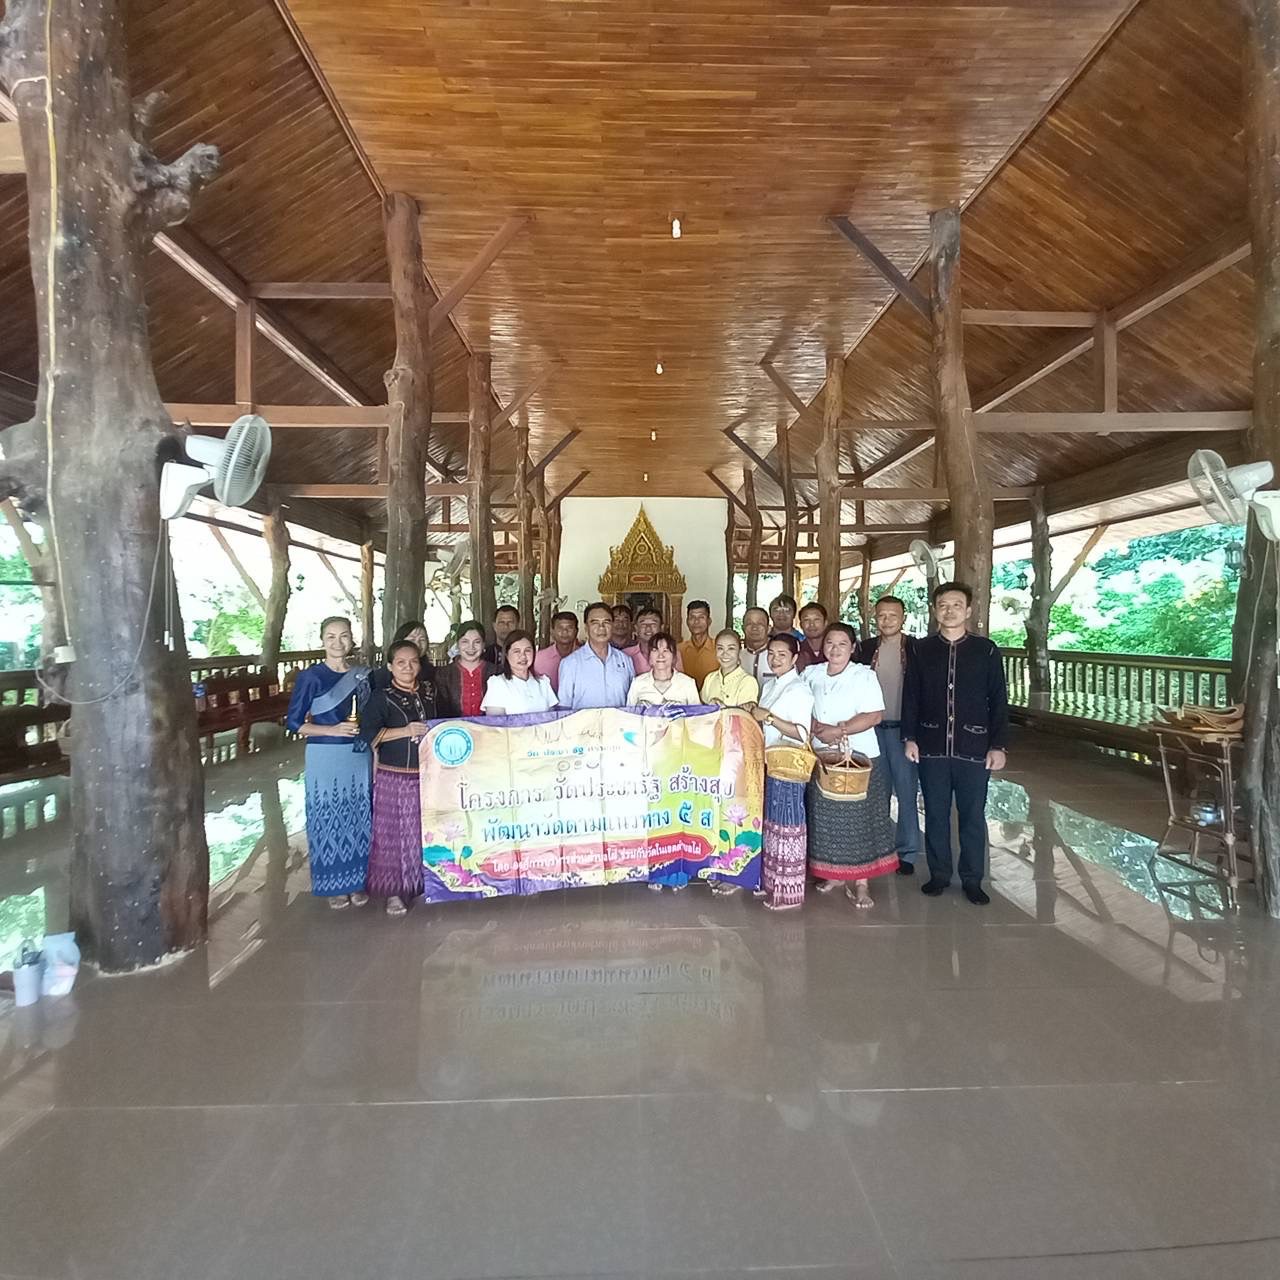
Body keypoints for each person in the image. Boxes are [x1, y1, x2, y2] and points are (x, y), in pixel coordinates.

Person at [902, 582, 1009, 906]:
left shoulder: (985, 650)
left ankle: (973, 879)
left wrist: (998, 745)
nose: (949, 611)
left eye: (956, 605)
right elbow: (911, 696)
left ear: (969, 610)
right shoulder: (921, 649)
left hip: (973, 746)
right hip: (931, 744)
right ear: (935, 610)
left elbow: (998, 700)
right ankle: (939, 874)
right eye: (943, 605)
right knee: (935, 814)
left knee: (972, 815)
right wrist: (910, 737)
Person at [805, 622, 896, 906]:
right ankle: (834, 875)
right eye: (830, 643)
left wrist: (839, 730)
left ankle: (861, 883)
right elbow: (801, 705)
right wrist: (816, 726)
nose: (835, 649)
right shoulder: (812, 674)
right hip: (823, 757)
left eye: (842, 643)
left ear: (853, 647)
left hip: (859, 758)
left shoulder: (863, 675)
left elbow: (874, 715)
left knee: (859, 820)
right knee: (827, 819)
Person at [285, 616, 372, 910]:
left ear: (352, 639)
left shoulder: (362, 675)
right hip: (325, 755)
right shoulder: (312, 677)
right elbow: (294, 723)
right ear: (322, 640)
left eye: (344, 636)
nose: (338, 642)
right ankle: (334, 884)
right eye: (331, 637)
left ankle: (358, 881)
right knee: (328, 817)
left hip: (358, 755)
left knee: (359, 816)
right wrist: (331, 730)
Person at [357, 639, 437, 917]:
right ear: (390, 666)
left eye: (413, 661)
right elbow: (368, 734)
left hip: (428, 775)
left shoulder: (429, 692)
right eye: (401, 662)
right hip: (395, 776)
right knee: (393, 835)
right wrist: (406, 731)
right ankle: (394, 892)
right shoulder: (382, 697)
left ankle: (422, 884)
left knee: (422, 832)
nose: (407, 667)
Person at [858, 594, 921, 876]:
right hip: (870, 730)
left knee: (906, 791)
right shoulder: (866, 648)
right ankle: (879, 847)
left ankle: (907, 851)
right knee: (876, 791)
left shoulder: (916, 648)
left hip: (902, 731)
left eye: (893, 615)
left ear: (903, 618)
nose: (887, 620)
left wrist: (915, 734)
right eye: (881, 615)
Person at [750, 634, 815, 911]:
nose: (775, 659)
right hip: (769, 762)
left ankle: (788, 893)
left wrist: (769, 717)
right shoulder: (770, 685)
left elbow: (802, 733)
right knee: (773, 826)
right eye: (771, 654)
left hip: (788, 765)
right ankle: (771, 883)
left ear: (794, 657)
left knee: (788, 827)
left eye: (782, 655)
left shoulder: (799, 690)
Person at [558, 602, 635, 709]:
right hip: (584, 721)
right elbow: (564, 707)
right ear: (586, 628)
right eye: (595, 623)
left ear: (612, 626)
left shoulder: (625, 660)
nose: (601, 627)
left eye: (606, 622)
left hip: (619, 720)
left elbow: (632, 701)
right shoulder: (570, 663)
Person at [482, 629, 558, 714]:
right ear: (506, 654)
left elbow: (553, 717)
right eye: (517, 651)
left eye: (527, 650)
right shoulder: (498, 683)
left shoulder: (543, 683)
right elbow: (496, 721)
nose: (523, 656)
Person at [435, 620, 494, 717]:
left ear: (483, 644)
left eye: (477, 642)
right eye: (465, 642)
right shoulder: (443, 674)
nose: (471, 647)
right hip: (453, 726)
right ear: (457, 644)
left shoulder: (496, 672)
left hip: (488, 726)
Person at [627, 632, 700, 706]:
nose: (660, 655)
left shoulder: (688, 683)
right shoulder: (637, 683)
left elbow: (697, 713)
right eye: (655, 650)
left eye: (665, 650)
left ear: (674, 656)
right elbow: (628, 712)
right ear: (649, 657)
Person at [369, 619, 436, 690]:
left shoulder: (434, 674)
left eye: (422, 640)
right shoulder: (379, 678)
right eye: (412, 640)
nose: (418, 644)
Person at [700, 630, 759, 708]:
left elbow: (745, 714)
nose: (725, 654)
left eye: (731, 648)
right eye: (720, 648)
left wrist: (721, 707)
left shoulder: (748, 681)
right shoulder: (710, 678)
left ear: (739, 651)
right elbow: (701, 709)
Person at [624, 606, 685, 675]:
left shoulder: (673, 653)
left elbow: (679, 678)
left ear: (662, 627)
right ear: (636, 628)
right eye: (643, 624)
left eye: (653, 624)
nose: (648, 628)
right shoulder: (626, 654)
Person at [533, 610, 580, 693]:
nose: (564, 632)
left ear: (576, 631)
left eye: (569, 628)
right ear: (552, 631)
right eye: (560, 628)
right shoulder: (538, 659)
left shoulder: (584, 658)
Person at [678, 599, 719, 694]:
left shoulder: (719, 648)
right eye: (692, 617)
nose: (696, 621)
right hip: (685, 698)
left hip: (713, 698)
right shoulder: (678, 650)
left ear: (709, 621)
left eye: (701, 617)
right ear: (687, 621)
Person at [739, 606, 774, 689]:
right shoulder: (737, 657)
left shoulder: (778, 657)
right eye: (749, 623)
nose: (754, 628)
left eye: (760, 624)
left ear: (768, 629)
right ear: (743, 628)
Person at [483, 605, 521, 672]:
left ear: (518, 625)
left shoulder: (525, 653)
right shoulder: (485, 656)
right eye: (501, 622)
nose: (506, 626)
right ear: (494, 626)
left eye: (510, 622)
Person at [795, 601, 829, 671]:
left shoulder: (834, 648)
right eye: (806, 620)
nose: (811, 624)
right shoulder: (796, 650)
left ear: (825, 623)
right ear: (801, 625)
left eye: (816, 620)